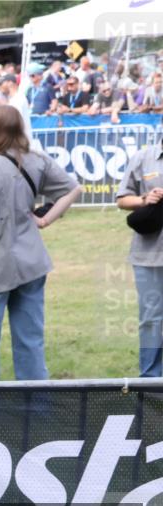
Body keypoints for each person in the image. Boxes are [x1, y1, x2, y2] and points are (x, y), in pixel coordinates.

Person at [0, 106, 82, 381]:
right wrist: (45, 219)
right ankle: (36, 403)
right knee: (30, 341)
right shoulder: (37, 160)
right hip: (31, 262)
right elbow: (73, 188)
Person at [115, 136, 163, 377]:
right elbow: (122, 200)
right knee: (152, 318)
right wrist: (145, 199)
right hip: (149, 254)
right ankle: (151, 378)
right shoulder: (143, 158)